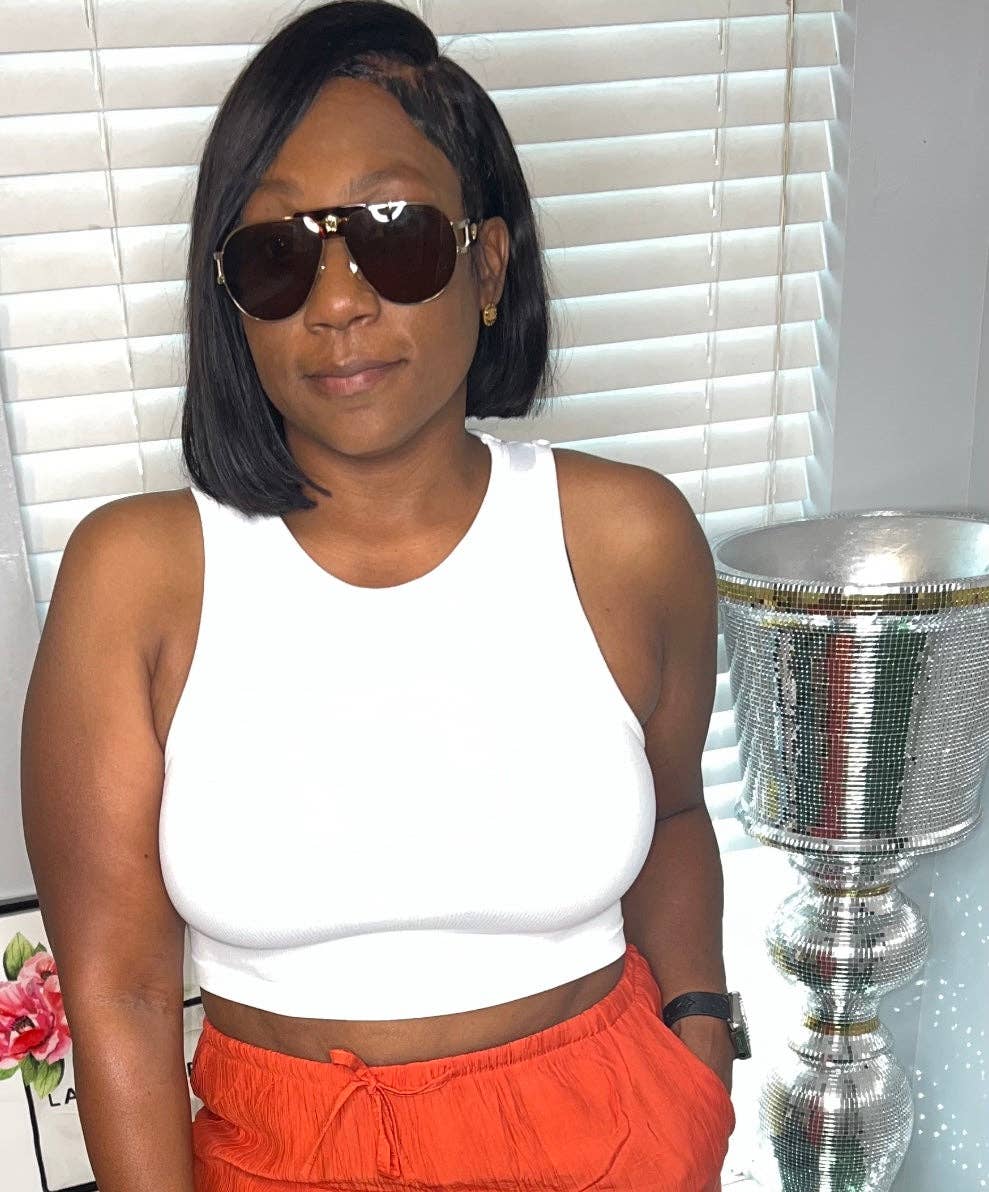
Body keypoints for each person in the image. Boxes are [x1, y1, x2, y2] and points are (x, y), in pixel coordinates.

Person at [20, 2, 744, 1188]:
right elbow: (121, 989)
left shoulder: (626, 538)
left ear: (487, 263)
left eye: (394, 235)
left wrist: (699, 1042)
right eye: (276, 255)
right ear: (231, 302)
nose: (338, 299)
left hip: (617, 1137)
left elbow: (670, 816)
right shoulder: (137, 580)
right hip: (284, 1154)